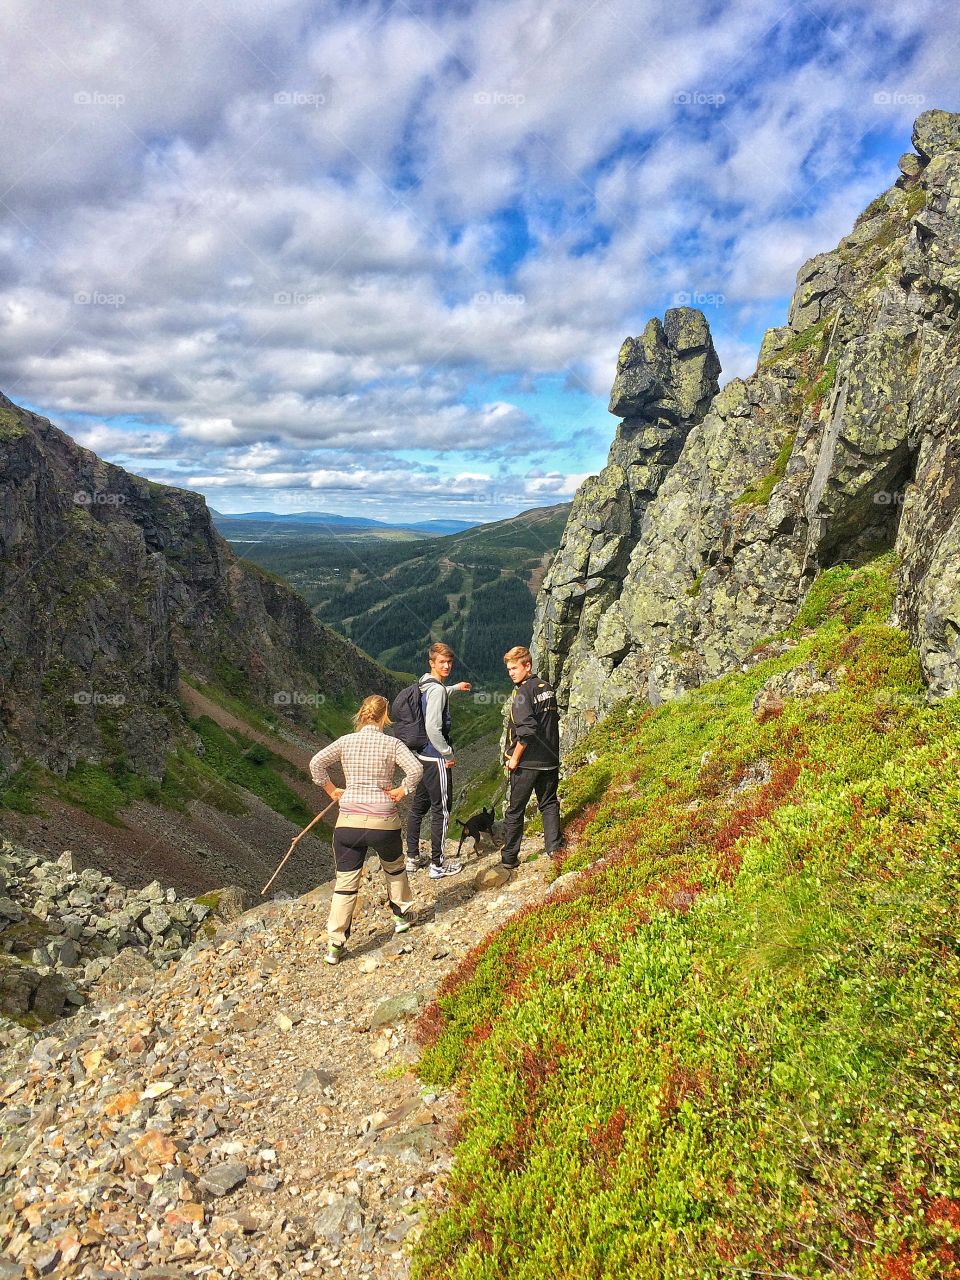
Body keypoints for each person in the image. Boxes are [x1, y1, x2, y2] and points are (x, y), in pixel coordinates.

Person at [309, 694, 423, 966]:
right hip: (383, 820)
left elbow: (316, 763)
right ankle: (401, 917)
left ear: (361, 715)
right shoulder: (392, 743)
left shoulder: (346, 741)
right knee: (394, 868)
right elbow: (416, 770)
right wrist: (401, 791)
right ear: (385, 717)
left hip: (349, 821)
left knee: (346, 883)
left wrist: (332, 791)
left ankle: (335, 945)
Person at [405, 642, 471, 878]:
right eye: (441, 662)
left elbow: (437, 694)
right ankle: (437, 865)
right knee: (441, 811)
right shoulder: (436, 690)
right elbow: (433, 726)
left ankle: (411, 858)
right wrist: (448, 754)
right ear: (431, 662)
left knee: (418, 808)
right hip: (436, 759)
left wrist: (454, 687)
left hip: (421, 756)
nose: (447, 666)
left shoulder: (424, 683)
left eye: (449, 662)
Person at [500, 645, 562, 871]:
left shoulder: (522, 693)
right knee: (548, 803)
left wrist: (514, 758)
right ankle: (555, 849)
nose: (511, 673)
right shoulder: (547, 688)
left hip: (527, 763)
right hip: (550, 759)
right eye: (508, 669)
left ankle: (509, 858)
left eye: (515, 668)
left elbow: (526, 730)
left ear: (528, 665)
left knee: (515, 810)